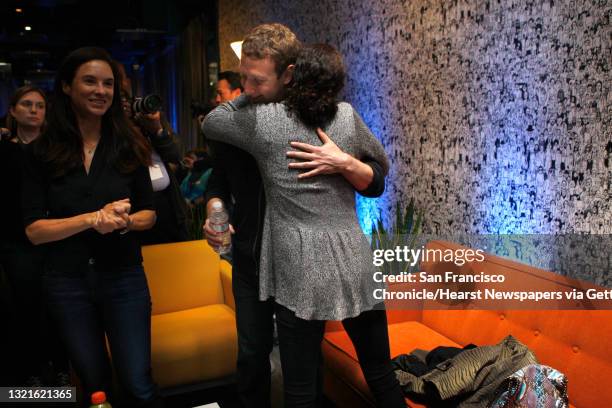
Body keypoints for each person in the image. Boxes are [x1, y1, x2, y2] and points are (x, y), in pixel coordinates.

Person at [203, 43, 405, 408]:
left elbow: (211, 121)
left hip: (298, 266)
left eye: (255, 79)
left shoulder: (264, 122)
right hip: (353, 258)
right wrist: (346, 160)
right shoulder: (346, 115)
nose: (249, 86)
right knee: (381, 373)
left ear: (290, 76)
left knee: (298, 391)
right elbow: (381, 166)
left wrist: (243, 96)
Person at [21, 47, 162, 408]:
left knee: (138, 383)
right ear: (67, 86)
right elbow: (34, 230)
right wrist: (91, 219)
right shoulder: (41, 152)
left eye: (108, 84)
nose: (101, 90)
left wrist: (126, 221)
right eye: (90, 81)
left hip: (124, 278)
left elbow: (150, 214)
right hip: (66, 283)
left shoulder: (130, 144)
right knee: (95, 385)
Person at [0, 86, 70, 386]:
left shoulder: (55, 149)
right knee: (25, 306)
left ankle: (62, 369)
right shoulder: (4, 149)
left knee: (59, 306)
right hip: (16, 239)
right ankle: (31, 375)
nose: (33, 110)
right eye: (26, 105)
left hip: (55, 236)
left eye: (39, 106)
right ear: (13, 110)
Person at [118, 66, 191, 245]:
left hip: (168, 206)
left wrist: (156, 128)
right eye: (120, 100)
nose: (126, 104)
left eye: (126, 99)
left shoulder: (146, 119)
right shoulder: (113, 130)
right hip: (135, 209)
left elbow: (175, 154)